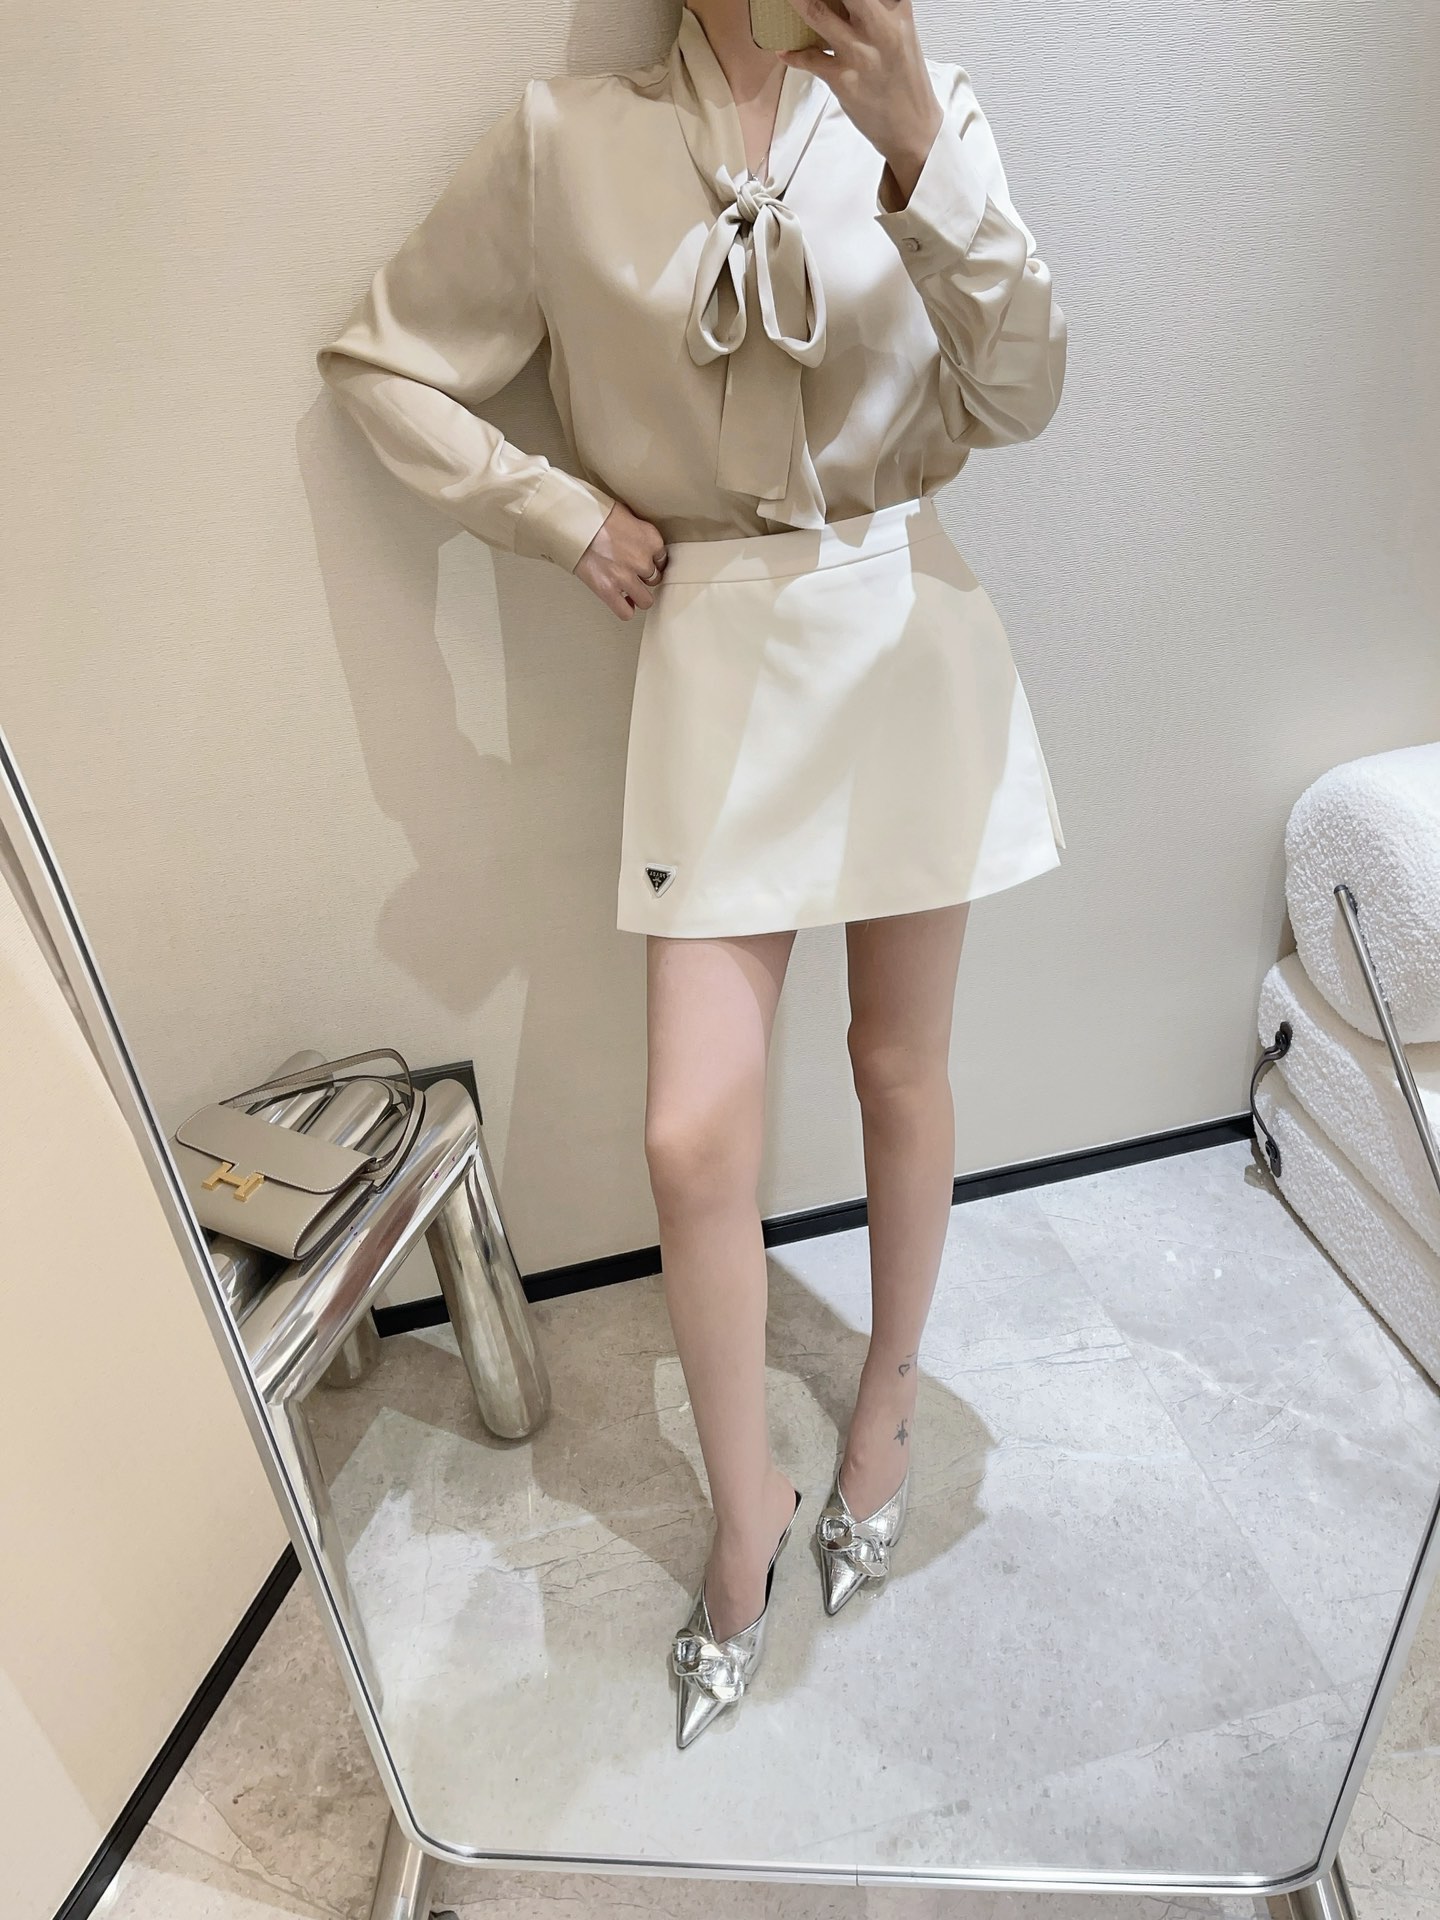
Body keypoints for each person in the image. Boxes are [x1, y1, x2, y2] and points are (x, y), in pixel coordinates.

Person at [316, 0, 1067, 1748]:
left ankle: (885, 1413)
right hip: (718, 646)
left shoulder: (930, 104)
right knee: (691, 1134)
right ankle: (747, 1512)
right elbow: (376, 363)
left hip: (905, 621)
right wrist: (556, 510)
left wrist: (918, 145)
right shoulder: (566, 143)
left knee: (901, 1065)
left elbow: (1026, 392)